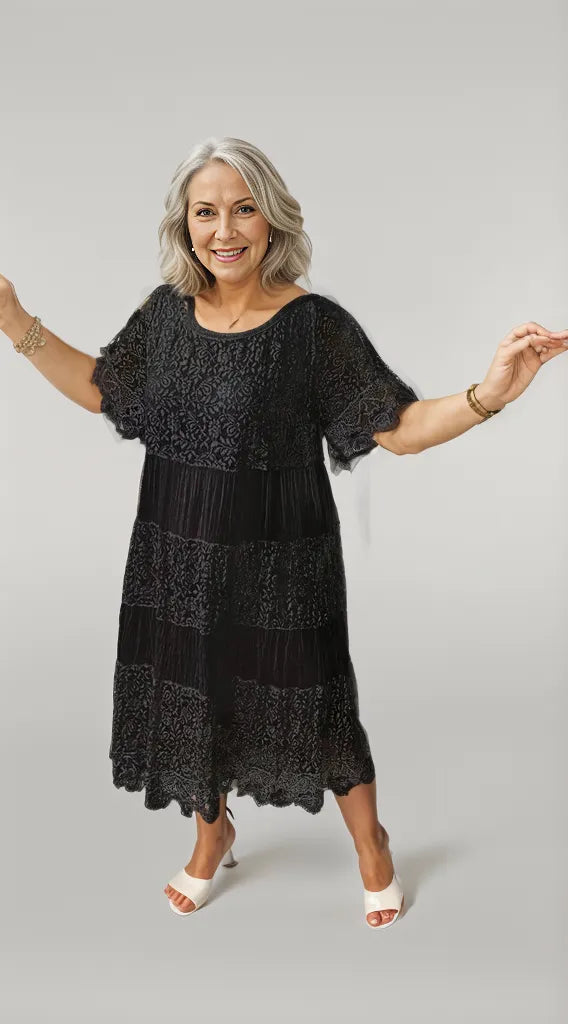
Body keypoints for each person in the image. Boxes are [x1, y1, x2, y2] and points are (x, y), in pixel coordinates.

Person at [2, 136, 567, 931]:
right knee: (194, 691)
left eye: (243, 209)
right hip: (177, 549)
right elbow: (103, 388)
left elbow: (398, 428)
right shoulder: (165, 316)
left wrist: (491, 393)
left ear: (272, 218)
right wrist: (14, 319)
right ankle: (212, 835)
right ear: (185, 224)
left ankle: (371, 843)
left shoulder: (313, 327)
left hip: (283, 562)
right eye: (206, 212)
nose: (224, 229)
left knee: (319, 702)